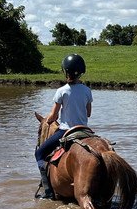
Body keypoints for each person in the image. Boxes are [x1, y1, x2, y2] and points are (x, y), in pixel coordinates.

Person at [34, 54, 93, 199]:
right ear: (81, 72)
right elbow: (89, 114)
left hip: (66, 130)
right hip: (85, 131)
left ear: (65, 71)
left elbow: (54, 117)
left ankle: (48, 191)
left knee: (39, 154)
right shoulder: (87, 91)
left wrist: (48, 121)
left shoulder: (61, 91)